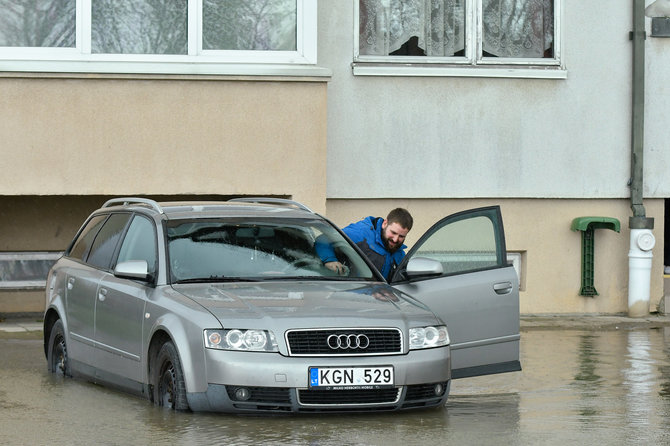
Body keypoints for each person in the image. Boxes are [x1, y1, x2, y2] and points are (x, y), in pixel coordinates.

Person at [316, 208, 413, 281]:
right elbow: (323, 239)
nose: (396, 239)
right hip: (354, 294)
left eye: (401, 236)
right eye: (393, 233)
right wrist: (330, 260)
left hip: (382, 298)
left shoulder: (399, 252)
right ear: (385, 223)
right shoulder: (360, 233)